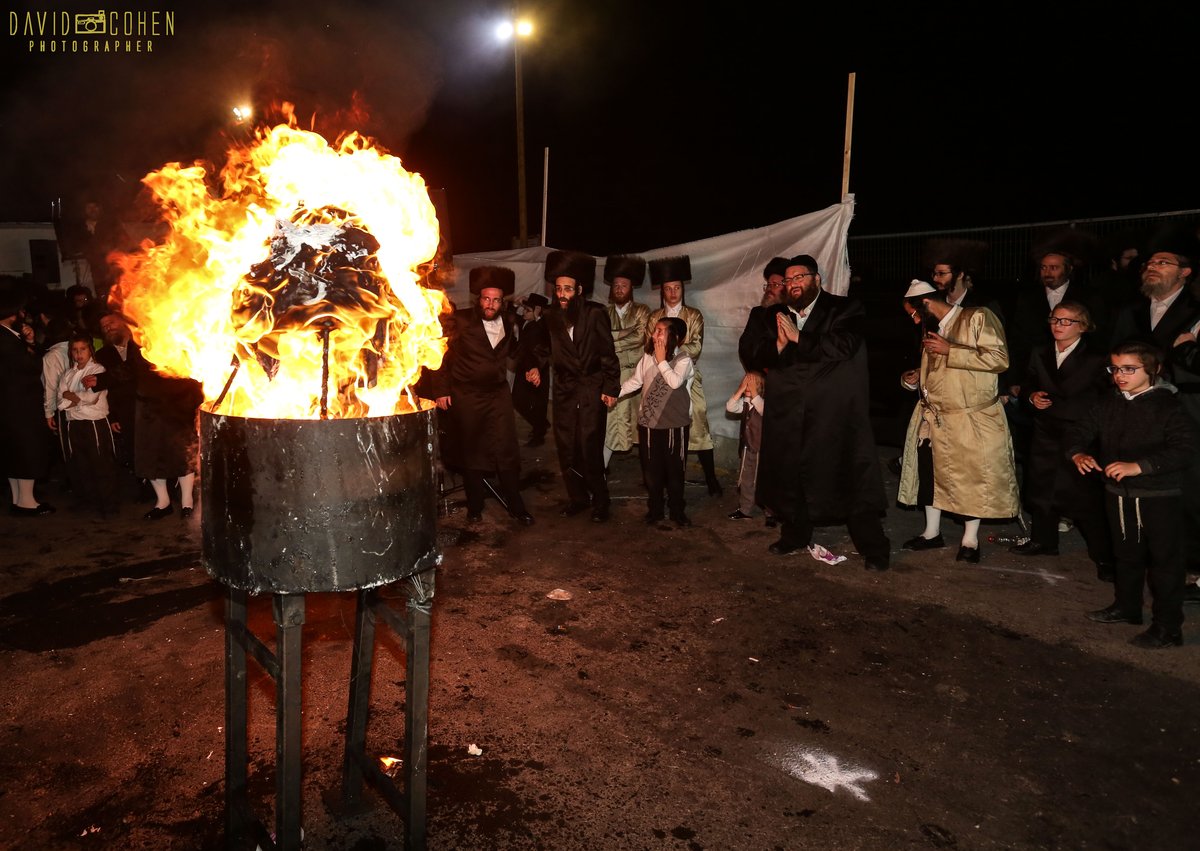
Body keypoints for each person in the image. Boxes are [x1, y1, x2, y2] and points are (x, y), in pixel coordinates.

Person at [738, 254, 890, 570]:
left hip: (833, 415)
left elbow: (844, 345)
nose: (793, 284)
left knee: (847, 476)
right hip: (788, 413)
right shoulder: (774, 315)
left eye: (800, 277)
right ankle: (795, 535)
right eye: (789, 279)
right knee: (791, 476)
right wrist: (778, 347)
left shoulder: (843, 308)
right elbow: (752, 352)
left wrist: (799, 338)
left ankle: (874, 548)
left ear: (817, 279)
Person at [1070, 341, 1199, 648]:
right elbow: (1079, 429)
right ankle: (1127, 607)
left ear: (1152, 370)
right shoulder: (1111, 401)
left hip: (1158, 495)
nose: (1120, 375)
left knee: (1164, 563)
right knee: (1126, 554)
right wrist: (1077, 453)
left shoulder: (1168, 405)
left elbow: (1185, 449)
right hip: (1117, 493)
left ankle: (1169, 627)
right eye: (1115, 368)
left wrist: (1140, 467)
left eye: (1129, 369)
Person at [897, 280, 1019, 562]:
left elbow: (999, 359)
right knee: (930, 473)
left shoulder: (977, 317)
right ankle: (931, 533)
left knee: (971, 477)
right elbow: (936, 372)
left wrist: (951, 349)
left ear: (926, 304)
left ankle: (970, 541)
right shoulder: (932, 329)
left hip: (971, 417)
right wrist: (911, 379)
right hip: (935, 417)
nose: (914, 320)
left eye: (914, 314)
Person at [1110, 236, 1200, 606]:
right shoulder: (1130, 310)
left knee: (1189, 490)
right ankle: (1146, 564)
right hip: (1136, 411)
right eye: (1151, 261)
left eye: (1163, 262)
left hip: (1185, 411)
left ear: (1185, 272)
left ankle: (1192, 568)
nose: (1153, 266)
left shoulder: (1196, 311)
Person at [1009, 302, 1114, 579]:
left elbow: (1105, 396)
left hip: (1079, 432)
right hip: (1045, 428)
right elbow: (1029, 381)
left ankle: (1105, 558)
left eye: (1066, 321)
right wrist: (1031, 396)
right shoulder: (1040, 352)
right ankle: (1044, 541)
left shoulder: (1096, 357)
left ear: (1083, 326)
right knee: (1041, 486)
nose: (1058, 325)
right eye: (1055, 319)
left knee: (1083, 496)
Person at [431, 265, 533, 525]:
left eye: (496, 299)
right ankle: (474, 506)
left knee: (506, 450)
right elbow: (441, 354)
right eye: (486, 299)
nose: (491, 304)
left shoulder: (510, 321)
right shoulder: (462, 320)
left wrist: (531, 366)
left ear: (503, 301)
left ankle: (517, 507)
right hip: (467, 395)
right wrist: (441, 390)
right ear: (478, 299)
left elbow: (517, 351)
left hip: (498, 394)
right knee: (473, 452)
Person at [525, 250, 620, 522]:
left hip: (591, 387)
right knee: (566, 447)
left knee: (589, 446)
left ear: (579, 290)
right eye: (558, 289)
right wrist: (535, 366)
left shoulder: (595, 314)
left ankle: (601, 501)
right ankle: (578, 498)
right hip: (565, 389)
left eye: (568, 289)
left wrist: (611, 388)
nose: (562, 294)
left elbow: (607, 354)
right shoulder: (552, 316)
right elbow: (545, 348)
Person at [646, 255, 722, 496]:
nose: (672, 292)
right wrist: (663, 357)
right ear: (662, 291)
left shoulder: (694, 315)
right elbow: (649, 346)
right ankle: (660, 478)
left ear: (683, 289)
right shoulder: (654, 317)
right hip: (659, 376)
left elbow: (696, 346)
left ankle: (710, 477)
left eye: (677, 287)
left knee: (698, 418)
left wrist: (668, 355)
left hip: (687, 375)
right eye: (668, 288)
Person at [615, 316, 694, 527]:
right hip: (649, 423)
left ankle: (677, 511)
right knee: (652, 471)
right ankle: (655, 509)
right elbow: (636, 381)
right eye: (655, 330)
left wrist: (661, 361)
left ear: (674, 338)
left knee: (675, 471)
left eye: (660, 331)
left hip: (674, 425)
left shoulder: (684, 360)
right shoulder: (648, 358)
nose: (654, 335)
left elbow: (675, 382)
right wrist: (616, 393)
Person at [0, 277, 56, 515]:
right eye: (20, 311)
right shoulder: (8, 341)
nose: (23, 314)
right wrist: (31, 344)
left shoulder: (7, 338)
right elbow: (32, 368)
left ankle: (17, 500)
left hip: (10, 407)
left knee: (14, 455)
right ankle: (26, 502)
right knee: (27, 452)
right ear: (12, 314)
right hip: (20, 407)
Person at [56, 334, 120, 519]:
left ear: (89, 350)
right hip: (74, 424)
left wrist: (72, 397)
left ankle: (109, 505)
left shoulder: (97, 369)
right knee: (81, 465)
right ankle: (88, 501)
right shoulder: (68, 374)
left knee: (101, 464)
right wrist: (74, 398)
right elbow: (60, 400)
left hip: (94, 423)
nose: (78, 353)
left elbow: (91, 398)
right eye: (75, 350)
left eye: (82, 349)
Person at [135, 363, 204, 520]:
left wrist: (198, 403)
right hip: (149, 405)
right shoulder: (140, 342)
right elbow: (134, 368)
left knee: (182, 452)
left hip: (180, 401)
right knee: (152, 453)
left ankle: (187, 502)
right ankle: (163, 502)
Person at [602, 255, 652, 469]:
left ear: (631, 288)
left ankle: (650, 470)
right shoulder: (604, 312)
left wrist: (613, 338)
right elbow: (601, 341)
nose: (619, 289)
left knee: (644, 422)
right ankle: (601, 469)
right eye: (616, 285)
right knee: (612, 423)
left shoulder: (642, 310)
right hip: (615, 376)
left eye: (624, 285)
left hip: (640, 375)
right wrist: (624, 333)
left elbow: (641, 337)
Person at [725, 371, 773, 524]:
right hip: (749, 448)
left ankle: (770, 513)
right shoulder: (746, 402)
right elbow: (730, 407)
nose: (749, 385)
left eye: (753, 382)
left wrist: (754, 393)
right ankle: (745, 509)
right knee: (746, 481)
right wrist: (740, 389)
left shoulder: (764, 403)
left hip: (763, 452)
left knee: (764, 482)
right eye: (747, 381)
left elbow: (765, 412)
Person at [512, 293, 551, 447]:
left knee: (537, 403)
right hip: (524, 368)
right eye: (524, 309)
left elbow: (546, 344)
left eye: (527, 309)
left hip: (537, 370)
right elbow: (513, 317)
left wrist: (538, 317)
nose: (523, 312)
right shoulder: (526, 322)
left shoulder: (543, 325)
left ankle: (539, 433)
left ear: (537, 310)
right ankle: (541, 424)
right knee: (518, 400)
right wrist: (516, 305)